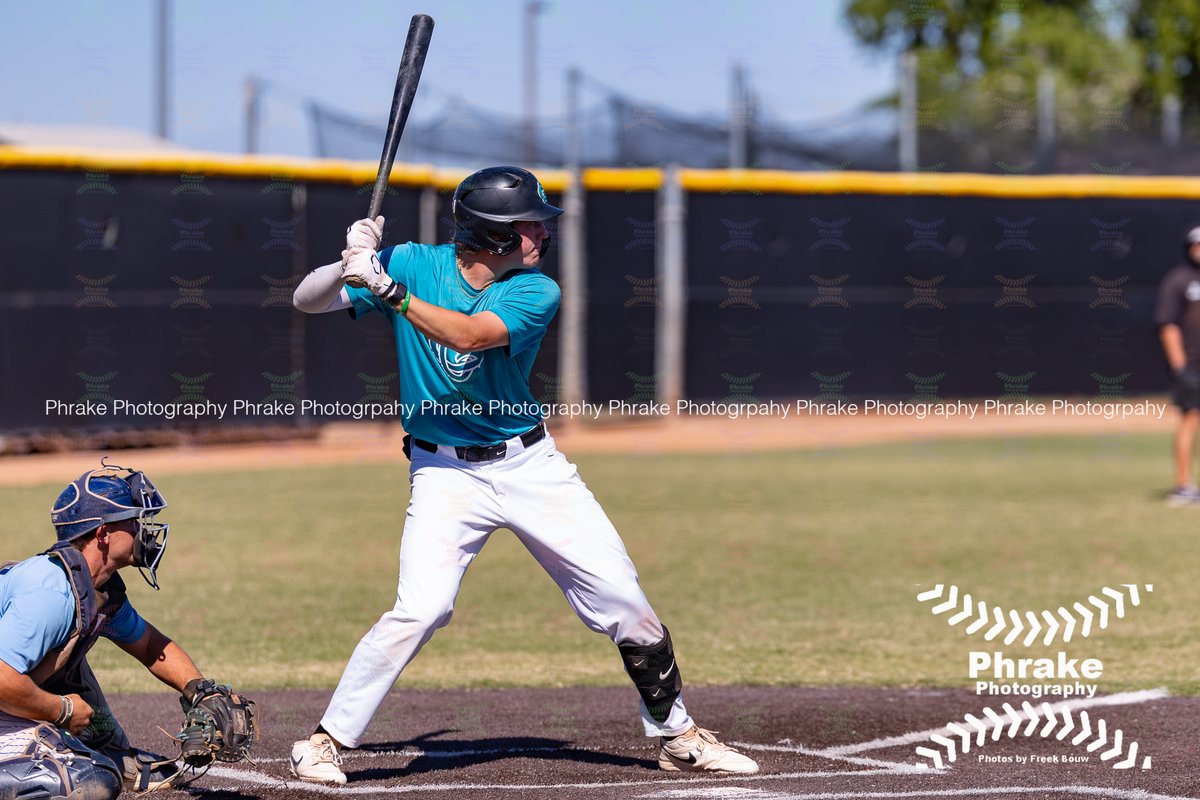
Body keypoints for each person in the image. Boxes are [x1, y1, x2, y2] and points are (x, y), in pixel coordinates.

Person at [289, 166, 758, 783]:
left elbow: (472, 335)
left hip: (529, 465)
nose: (542, 233)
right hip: (443, 473)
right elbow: (306, 299)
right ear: (492, 233)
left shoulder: (534, 291)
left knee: (625, 600)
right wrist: (351, 260)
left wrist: (388, 289)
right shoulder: (410, 262)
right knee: (421, 608)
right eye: (528, 224)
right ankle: (324, 742)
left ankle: (678, 736)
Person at [0, 461, 222, 798]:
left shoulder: (95, 591)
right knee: (85, 781)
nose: (143, 529)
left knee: (71, 666)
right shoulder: (52, 592)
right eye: (132, 522)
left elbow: (150, 645)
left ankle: (104, 755)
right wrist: (62, 710)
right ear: (103, 534)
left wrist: (201, 691)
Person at [1155, 224, 1200, 506]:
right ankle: (1183, 486)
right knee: (1190, 419)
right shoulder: (1179, 279)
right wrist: (1179, 366)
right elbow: (1167, 324)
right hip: (1193, 365)